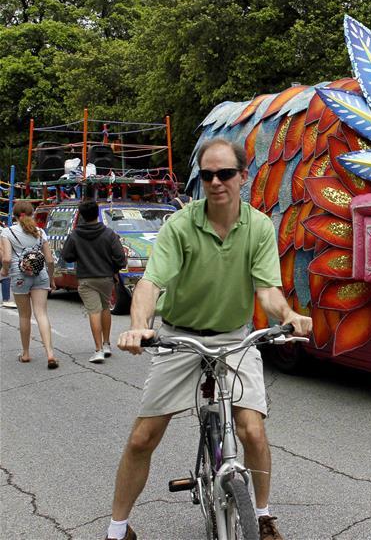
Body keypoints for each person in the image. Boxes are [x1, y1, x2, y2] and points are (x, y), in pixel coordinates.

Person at [108, 139, 313, 540]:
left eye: (225, 174)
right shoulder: (180, 226)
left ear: (242, 177)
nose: (216, 182)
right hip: (180, 338)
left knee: (252, 429)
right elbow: (151, 283)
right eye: (207, 175)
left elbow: (267, 290)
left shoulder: (257, 227)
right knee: (142, 437)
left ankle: (265, 515)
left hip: (234, 337)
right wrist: (139, 325)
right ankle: (117, 529)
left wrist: (288, 316)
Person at [61, 199, 127, 363]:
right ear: (97, 213)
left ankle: (97, 350)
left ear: (82, 215)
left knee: (94, 311)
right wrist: (114, 269)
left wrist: (81, 255)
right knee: (105, 308)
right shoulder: (109, 233)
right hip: (106, 277)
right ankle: (106, 345)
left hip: (86, 278)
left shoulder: (75, 234)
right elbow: (120, 258)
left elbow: (67, 256)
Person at [0, 201, 58, 368]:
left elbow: (7, 259)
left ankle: (25, 353)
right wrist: (52, 278)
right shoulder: (40, 232)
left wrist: (4, 271)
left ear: (15, 215)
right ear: (32, 214)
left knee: (24, 315)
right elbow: (49, 260)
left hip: (19, 276)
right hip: (41, 274)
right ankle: (50, 354)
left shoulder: (7, 232)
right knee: (42, 314)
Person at [1, 219, 14, 308]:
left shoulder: (3, 230)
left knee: (5, 277)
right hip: (2, 256)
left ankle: (6, 299)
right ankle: (6, 300)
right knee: (5, 277)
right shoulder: (3, 229)